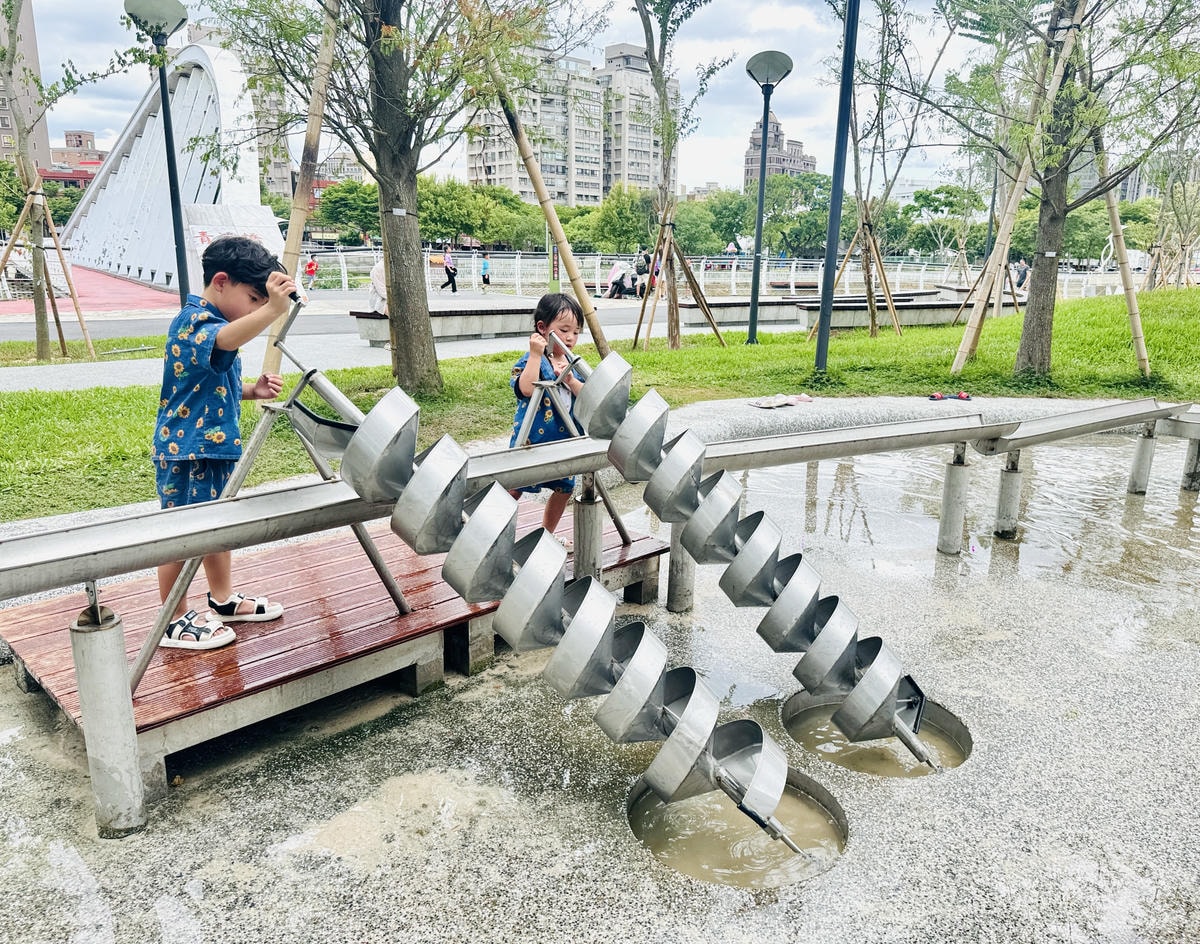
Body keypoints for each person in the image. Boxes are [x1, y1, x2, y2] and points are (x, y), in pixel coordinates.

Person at [151, 235, 294, 650]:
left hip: (212, 447)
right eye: (252, 299)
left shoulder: (217, 326)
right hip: (187, 450)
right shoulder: (194, 322)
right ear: (220, 281)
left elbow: (210, 381)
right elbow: (226, 341)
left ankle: (222, 598)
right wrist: (272, 309)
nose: (254, 310)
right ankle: (172, 618)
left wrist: (252, 390)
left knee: (216, 527)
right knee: (183, 535)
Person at [508, 293, 586, 535]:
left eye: (576, 332)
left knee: (564, 489)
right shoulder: (533, 360)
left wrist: (571, 380)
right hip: (532, 441)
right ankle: (490, 527)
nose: (570, 337)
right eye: (564, 330)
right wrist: (534, 355)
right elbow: (525, 388)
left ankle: (546, 534)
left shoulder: (573, 364)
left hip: (564, 441)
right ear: (542, 328)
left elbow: (587, 395)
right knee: (514, 485)